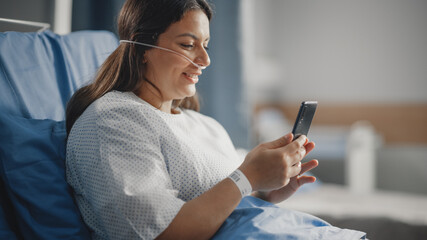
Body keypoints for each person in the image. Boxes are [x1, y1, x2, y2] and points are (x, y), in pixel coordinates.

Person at [65, 0, 363, 239]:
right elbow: (160, 232)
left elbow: (225, 201)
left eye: (205, 44)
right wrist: (248, 177)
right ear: (143, 48)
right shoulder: (114, 121)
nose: (205, 60)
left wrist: (264, 191)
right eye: (187, 44)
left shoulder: (204, 125)